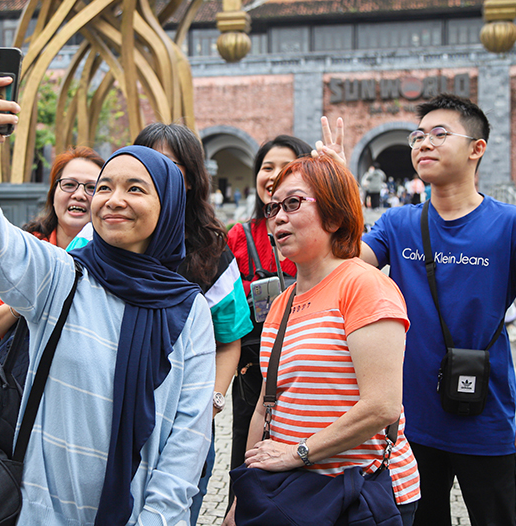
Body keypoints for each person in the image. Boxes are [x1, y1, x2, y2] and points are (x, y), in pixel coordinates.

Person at [0, 75, 215, 525]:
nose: (112, 200)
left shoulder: (187, 310)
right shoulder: (62, 276)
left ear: (168, 207)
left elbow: (187, 439)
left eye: (136, 189)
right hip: (44, 512)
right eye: (105, 187)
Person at [361, 93, 516, 525]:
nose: (423, 144)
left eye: (440, 134)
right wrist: (333, 179)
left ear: (477, 148)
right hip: (410, 421)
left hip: (484, 416)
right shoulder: (399, 224)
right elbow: (346, 260)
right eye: (418, 136)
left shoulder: (514, 225)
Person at [223, 155, 420, 526]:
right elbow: (268, 403)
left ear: (333, 216)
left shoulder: (364, 285)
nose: (278, 217)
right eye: (273, 207)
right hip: (293, 494)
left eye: (293, 203)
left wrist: (299, 452)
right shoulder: (283, 302)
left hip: (361, 494)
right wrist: (241, 498)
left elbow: (382, 406)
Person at [132, 122, 253, 525]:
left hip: (182, 426)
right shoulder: (102, 238)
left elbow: (229, 339)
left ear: (190, 179)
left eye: (172, 164)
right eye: (148, 160)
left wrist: (210, 405)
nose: (158, 171)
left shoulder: (211, 251)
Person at [224, 117, 344, 507]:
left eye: (286, 167)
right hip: (252, 370)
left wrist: (339, 178)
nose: (273, 176)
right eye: (266, 167)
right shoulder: (239, 236)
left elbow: (347, 265)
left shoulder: (321, 236)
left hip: (310, 368)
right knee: (249, 452)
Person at [0, 146, 104, 346]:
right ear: (53, 193)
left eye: (92, 187)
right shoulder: (18, 248)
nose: (80, 194)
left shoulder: (116, 258)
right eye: (69, 184)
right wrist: (22, 302)